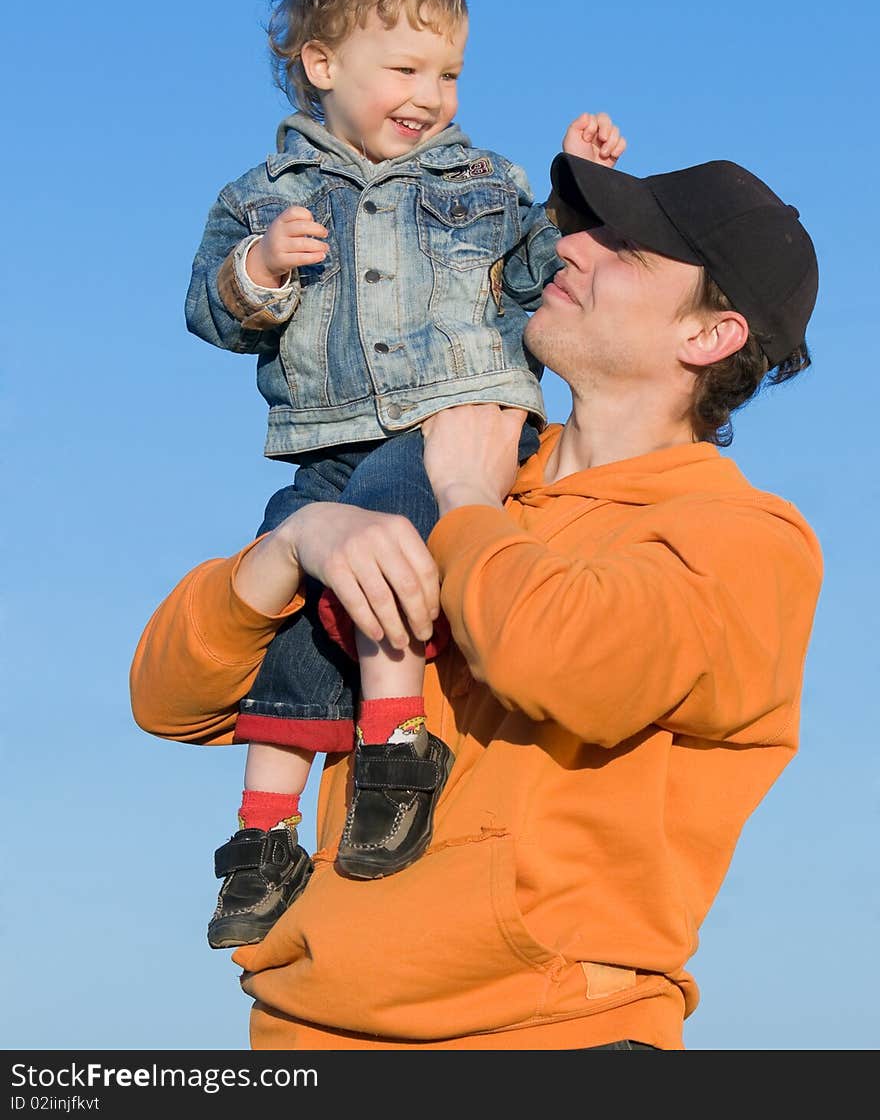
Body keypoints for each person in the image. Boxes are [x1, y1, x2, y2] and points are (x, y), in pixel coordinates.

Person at [132, 147, 822, 1050]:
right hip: (306, 1036)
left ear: (708, 336)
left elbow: (562, 663)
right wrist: (294, 545)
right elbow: (169, 700)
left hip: (551, 1037)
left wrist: (464, 505)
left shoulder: (741, 540)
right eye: (590, 230)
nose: (574, 249)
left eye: (629, 252)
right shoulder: (428, 477)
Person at [184, 0, 626, 949]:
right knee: (291, 605)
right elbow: (208, 315)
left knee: (376, 543)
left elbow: (526, 276)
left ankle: (395, 740)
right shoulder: (263, 198)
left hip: (459, 419)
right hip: (324, 440)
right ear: (322, 64)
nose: (432, 94)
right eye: (406, 67)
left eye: (451, 71)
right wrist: (255, 272)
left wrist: (569, 193)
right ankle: (263, 829)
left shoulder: (477, 178)